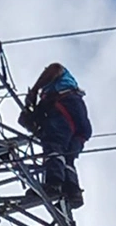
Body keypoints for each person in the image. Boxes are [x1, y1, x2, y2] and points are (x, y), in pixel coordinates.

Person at [20, 62, 91, 209]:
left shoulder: (59, 78)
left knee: (54, 146)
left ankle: (53, 184)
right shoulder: (48, 102)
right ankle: (72, 191)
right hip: (78, 123)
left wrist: (33, 91)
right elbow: (41, 128)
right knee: (66, 157)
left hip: (66, 107)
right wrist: (30, 119)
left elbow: (55, 68)